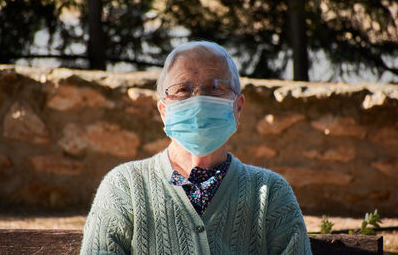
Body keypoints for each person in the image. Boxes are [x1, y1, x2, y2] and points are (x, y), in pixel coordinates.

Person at [80, 41, 312, 254]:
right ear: (164, 111)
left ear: (238, 107)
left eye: (215, 87)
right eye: (182, 90)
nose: (198, 102)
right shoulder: (125, 186)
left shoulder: (269, 193)